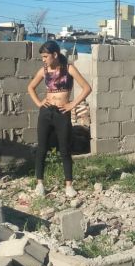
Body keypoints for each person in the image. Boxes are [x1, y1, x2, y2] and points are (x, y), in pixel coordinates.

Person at [27, 41, 92, 197]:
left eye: (45, 56)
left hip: (62, 113)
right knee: (41, 148)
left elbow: (87, 88)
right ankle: (40, 183)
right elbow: (30, 87)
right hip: (46, 113)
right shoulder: (43, 70)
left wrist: (72, 104)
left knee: (65, 149)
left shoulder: (68, 68)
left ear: (54, 55)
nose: (43, 59)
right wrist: (39, 103)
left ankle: (68, 185)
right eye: (42, 56)